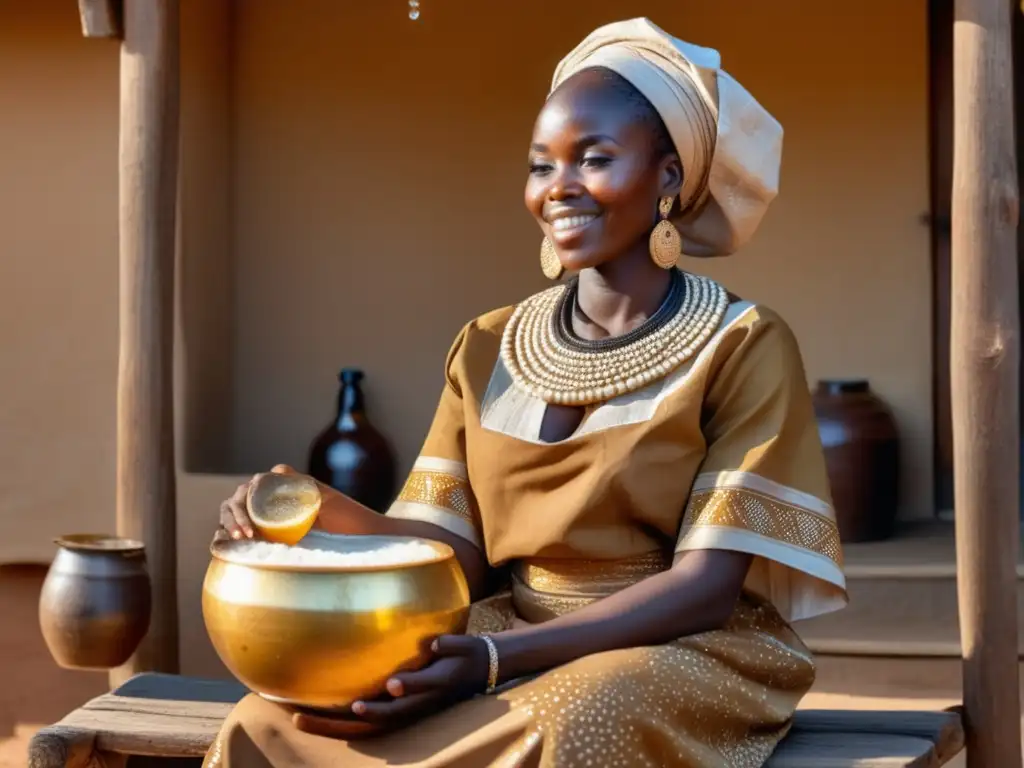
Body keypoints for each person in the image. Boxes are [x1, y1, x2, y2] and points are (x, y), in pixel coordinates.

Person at [204, 18, 848, 768]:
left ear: (669, 176)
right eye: (541, 166)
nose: (559, 188)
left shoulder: (741, 343)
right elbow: (449, 553)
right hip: (507, 633)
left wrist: (492, 661)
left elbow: (705, 588)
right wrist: (308, 506)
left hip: (678, 651)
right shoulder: (486, 345)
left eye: (594, 159)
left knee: (571, 720)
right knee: (276, 718)